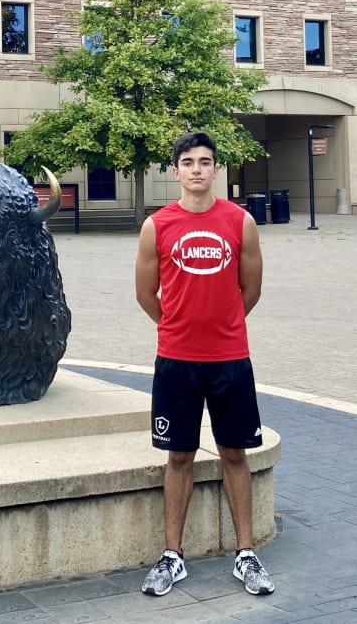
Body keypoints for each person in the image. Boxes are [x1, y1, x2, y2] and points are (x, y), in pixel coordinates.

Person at [134, 131, 274, 597]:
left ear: (217, 170)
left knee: (235, 454)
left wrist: (222, 326)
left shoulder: (241, 222)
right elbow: (145, 294)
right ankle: (172, 556)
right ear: (175, 171)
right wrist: (177, 327)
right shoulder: (157, 226)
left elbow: (249, 292)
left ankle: (246, 553)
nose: (197, 169)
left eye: (205, 162)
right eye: (188, 162)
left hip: (230, 359)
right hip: (176, 360)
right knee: (179, 456)